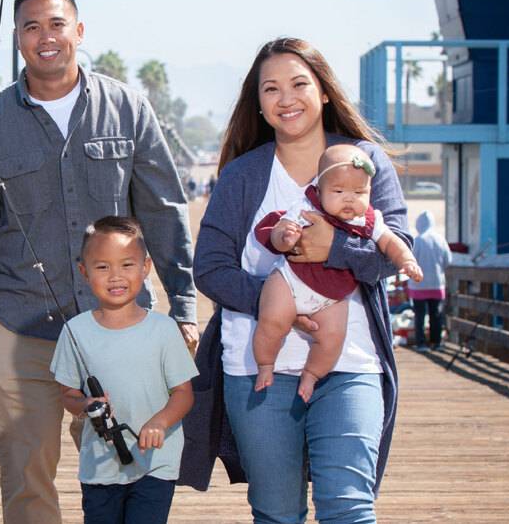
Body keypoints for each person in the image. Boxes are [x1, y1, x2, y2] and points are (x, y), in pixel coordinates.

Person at [0, 0, 198, 523]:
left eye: (56, 24)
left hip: (117, 333)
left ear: (78, 31)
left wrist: (185, 309)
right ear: (16, 40)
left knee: (125, 473)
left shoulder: (129, 109)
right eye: (31, 27)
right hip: (17, 333)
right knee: (26, 484)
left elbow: (164, 212)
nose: (45, 37)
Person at [178, 37, 411, 523]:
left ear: (324, 91)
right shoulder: (243, 175)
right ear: (258, 105)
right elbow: (211, 268)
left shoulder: (366, 162)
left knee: (348, 506)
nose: (287, 98)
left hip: (352, 361)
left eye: (299, 84)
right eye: (271, 89)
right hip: (258, 369)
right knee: (277, 513)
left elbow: (395, 251)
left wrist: (335, 249)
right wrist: (280, 303)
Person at [50, 216, 197, 524]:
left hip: (156, 465)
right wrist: (85, 405)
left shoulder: (164, 329)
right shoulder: (75, 331)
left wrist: (160, 422)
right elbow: (67, 394)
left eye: (127, 265)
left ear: (145, 268)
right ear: (84, 272)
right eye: (102, 267)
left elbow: (183, 394)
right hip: (99, 468)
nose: (115, 276)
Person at [253, 144, 422, 402]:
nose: (349, 198)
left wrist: (407, 260)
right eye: (339, 191)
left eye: (359, 191)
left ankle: (311, 374)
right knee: (272, 319)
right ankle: (265, 364)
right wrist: (285, 237)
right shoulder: (306, 206)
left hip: (333, 295)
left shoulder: (369, 219)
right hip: (292, 280)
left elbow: (390, 242)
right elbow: (279, 229)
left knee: (332, 338)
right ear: (319, 190)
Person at [408, 210, 452, 352]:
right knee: (436, 315)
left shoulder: (418, 241)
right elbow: (448, 260)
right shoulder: (441, 240)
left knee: (420, 315)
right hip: (436, 284)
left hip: (418, 285)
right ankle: (436, 342)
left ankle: (421, 343)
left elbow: (410, 261)